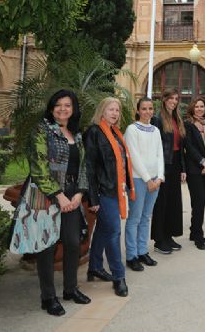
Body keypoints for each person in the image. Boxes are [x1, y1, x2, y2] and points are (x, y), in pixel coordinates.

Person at [27, 89, 91, 316]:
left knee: (73, 243)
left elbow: (83, 166)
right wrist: (59, 195)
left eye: (67, 105)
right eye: (58, 105)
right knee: (48, 246)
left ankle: (70, 289)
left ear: (73, 110)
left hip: (73, 195)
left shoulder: (77, 133)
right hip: (48, 195)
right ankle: (48, 297)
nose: (63, 109)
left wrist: (79, 194)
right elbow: (39, 168)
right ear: (52, 107)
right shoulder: (41, 130)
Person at [85, 97, 134, 297]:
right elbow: (89, 167)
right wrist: (93, 198)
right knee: (114, 232)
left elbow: (123, 163)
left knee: (104, 230)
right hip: (104, 191)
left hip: (118, 189)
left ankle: (95, 266)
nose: (115, 113)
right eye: (111, 109)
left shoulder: (116, 133)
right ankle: (118, 276)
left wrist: (129, 187)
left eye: (117, 110)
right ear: (102, 111)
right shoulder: (94, 132)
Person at [124, 97, 164, 271]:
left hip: (155, 180)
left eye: (150, 108)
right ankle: (131, 255)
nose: (148, 111)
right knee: (135, 218)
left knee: (146, 217)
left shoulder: (155, 130)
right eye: (144, 108)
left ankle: (142, 251)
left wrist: (160, 177)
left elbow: (159, 154)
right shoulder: (131, 130)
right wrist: (148, 179)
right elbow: (133, 156)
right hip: (139, 180)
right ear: (138, 110)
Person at [151, 88, 187, 254]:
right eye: (171, 98)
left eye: (176, 98)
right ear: (164, 99)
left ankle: (169, 235)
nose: (174, 101)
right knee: (161, 203)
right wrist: (159, 171)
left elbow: (180, 147)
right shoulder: (157, 120)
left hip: (175, 164)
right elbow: (155, 147)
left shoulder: (177, 119)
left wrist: (183, 168)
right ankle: (159, 240)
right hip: (163, 166)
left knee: (173, 202)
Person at [184, 97, 205, 250]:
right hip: (195, 169)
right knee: (199, 202)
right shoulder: (188, 125)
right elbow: (189, 147)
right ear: (192, 108)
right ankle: (198, 235)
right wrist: (203, 162)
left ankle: (193, 231)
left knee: (200, 202)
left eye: (202, 106)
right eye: (196, 107)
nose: (199, 109)